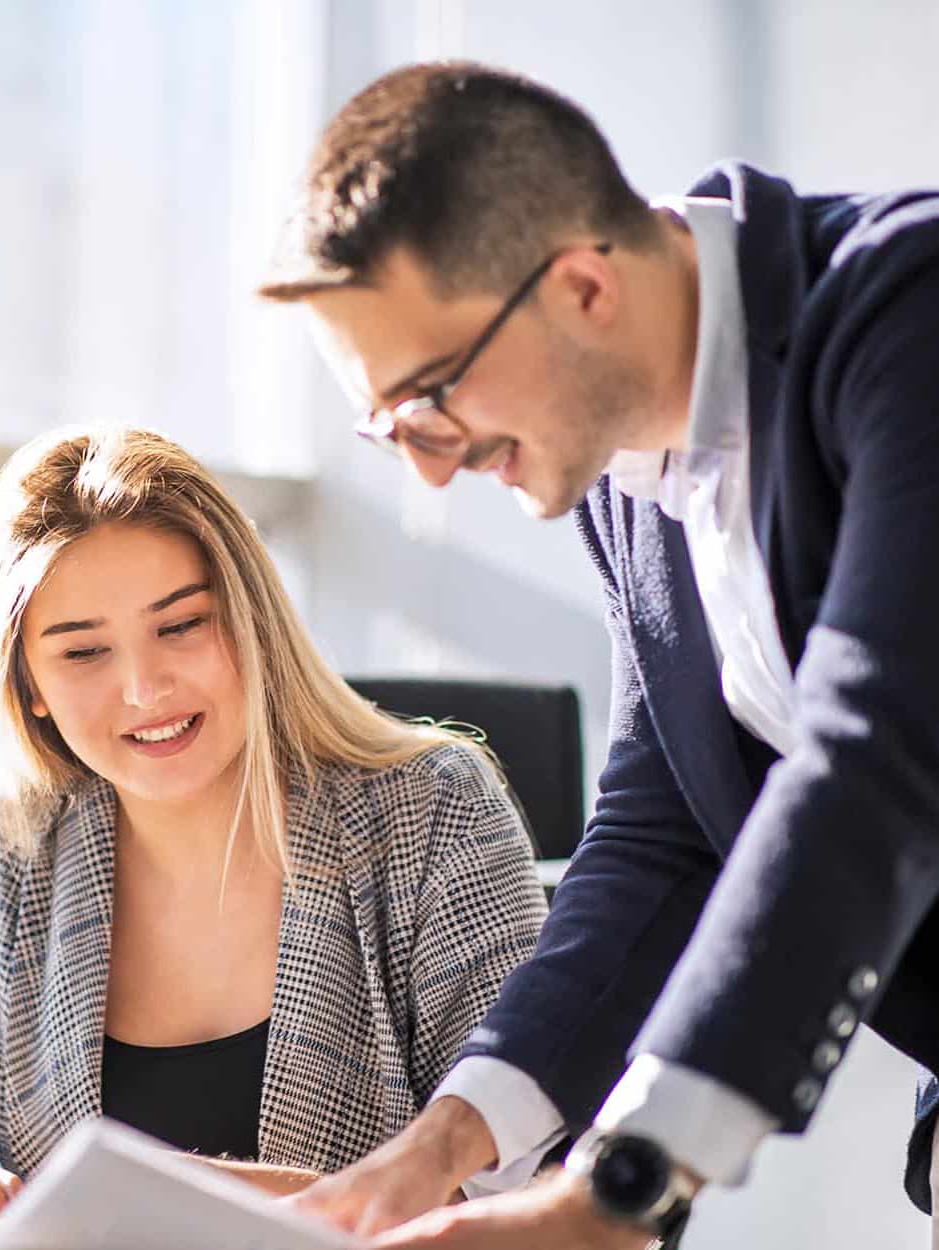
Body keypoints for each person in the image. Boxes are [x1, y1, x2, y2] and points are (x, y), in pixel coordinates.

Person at [258, 60, 939, 1248]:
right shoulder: (621, 479)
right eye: (389, 427)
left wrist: (617, 1186)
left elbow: (875, 751)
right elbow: (661, 828)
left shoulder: (908, 308)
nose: (427, 463)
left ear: (580, 285)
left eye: (432, 397)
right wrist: (443, 1143)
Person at [0, 425, 547, 1216]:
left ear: (250, 620)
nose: (145, 690)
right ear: (29, 684)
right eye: (83, 652)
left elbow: (529, 1174)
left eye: (182, 625)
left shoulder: (428, 813)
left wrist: (145, 1203)